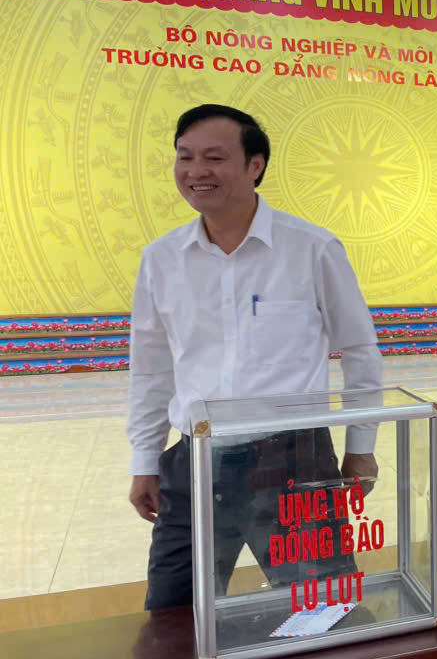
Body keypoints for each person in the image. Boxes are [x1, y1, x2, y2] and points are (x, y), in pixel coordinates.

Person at [127, 104, 383, 610]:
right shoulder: (161, 259)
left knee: (324, 611)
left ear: (255, 165)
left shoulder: (311, 248)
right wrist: (145, 460)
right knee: (175, 614)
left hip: (292, 463)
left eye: (214, 158)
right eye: (185, 157)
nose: (196, 171)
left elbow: (360, 350)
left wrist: (361, 446)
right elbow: (152, 367)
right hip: (193, 464)